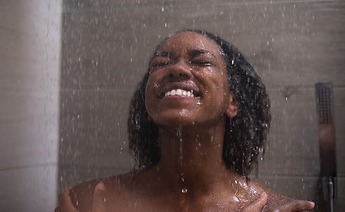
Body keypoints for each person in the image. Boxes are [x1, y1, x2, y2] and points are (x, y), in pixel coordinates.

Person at [55, 30, 315, 212]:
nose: (176, 69)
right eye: (160, 63)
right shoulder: (86, 202)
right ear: (148, 105)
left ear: (232, 102)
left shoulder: (278, 210)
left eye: (201, 61)